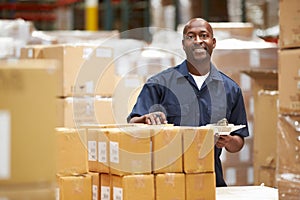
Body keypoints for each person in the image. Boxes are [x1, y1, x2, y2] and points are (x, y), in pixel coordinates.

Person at [127, 18, 249, 187]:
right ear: (184, 44)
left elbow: (239, 141)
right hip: (168, 183)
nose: (198, 41)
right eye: (191, 36)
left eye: (203, 35)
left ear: (213, 42)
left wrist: (228, 141)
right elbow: (132, 125)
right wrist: (145, 119)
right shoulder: (159, 83)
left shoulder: (230, 89)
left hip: (210, 182)